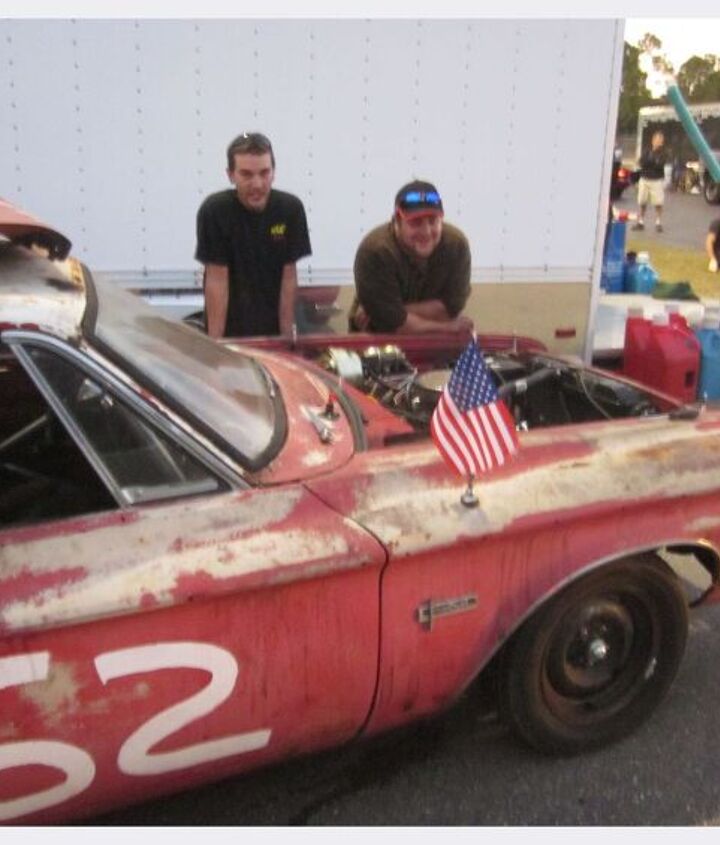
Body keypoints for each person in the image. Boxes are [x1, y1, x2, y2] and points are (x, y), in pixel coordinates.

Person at [195, 132, 311, 338]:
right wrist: (215, 344)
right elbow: (217, 280)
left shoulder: (290, 209)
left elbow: (288, 277)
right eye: (246, 175)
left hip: (272, 327)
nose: (257, 184)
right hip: (231, 329)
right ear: (231, 175)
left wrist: (286, 339)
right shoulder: (215, 211)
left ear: (274, 172)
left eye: (264, 173)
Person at [349, 180, 473, 334]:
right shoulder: (375, 252)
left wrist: (392, 311)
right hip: (377, 342)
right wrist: (447, 327)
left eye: (433, 221)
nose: (426, 232)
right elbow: (393, 325)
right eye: (416, 223)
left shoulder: (457, 245)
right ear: (396, 221)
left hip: (438, 343)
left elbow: (451, 309)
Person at [633, 130, 667, 233]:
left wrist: (649, 162)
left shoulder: (663, 153)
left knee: (658, 202)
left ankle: (658, 223)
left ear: (662, 142)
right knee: (642, 201)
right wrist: (650, 162)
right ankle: (640, 222)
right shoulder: (647, 151)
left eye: (660, 140)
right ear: (653, 140)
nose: (658, 142)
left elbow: (659, 165)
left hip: (656, 180)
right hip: (644, 179)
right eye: (656, 140)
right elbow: (641, 162)